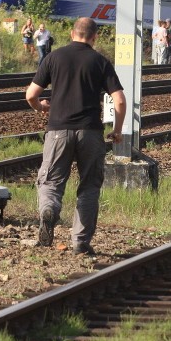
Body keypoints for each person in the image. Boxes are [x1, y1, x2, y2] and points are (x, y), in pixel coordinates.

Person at [25, 17, 126, 255]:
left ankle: (49, 210)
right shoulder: (100, 61)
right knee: (90, 185)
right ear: (94, 37)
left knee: (50, 181)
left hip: (58, 130)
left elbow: (31, 95)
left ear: (72, 33)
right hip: (90, 132)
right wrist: (117, 129)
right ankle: (80, 242)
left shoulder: (53, 57)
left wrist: (41, 107)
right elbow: (119, 100)